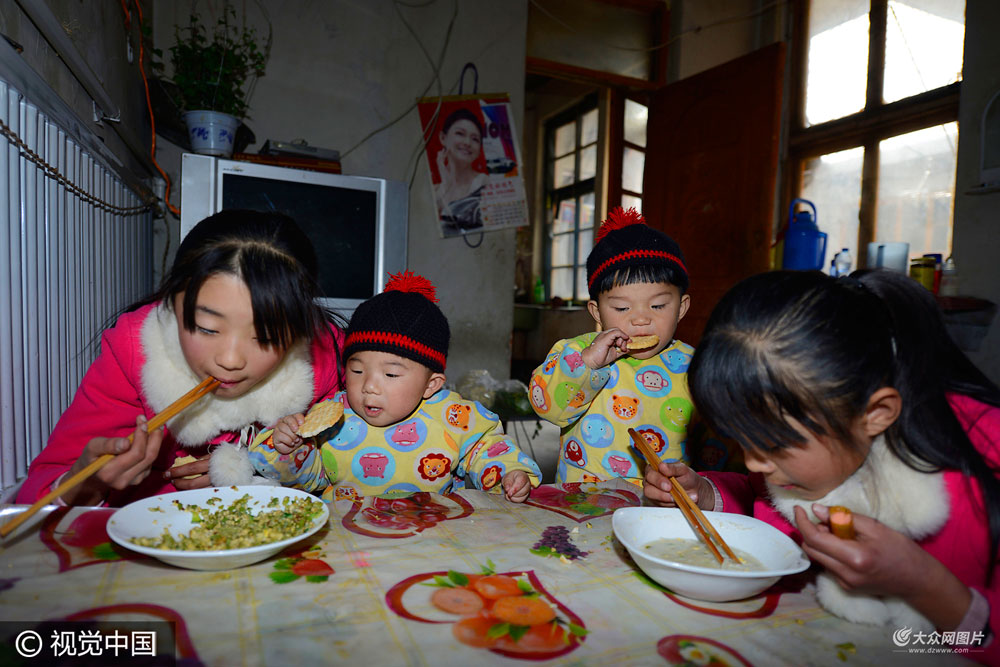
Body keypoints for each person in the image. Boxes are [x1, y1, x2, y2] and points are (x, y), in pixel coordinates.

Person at [643, 269, 1000, 660]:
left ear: (876, 414)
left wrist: (923, 584)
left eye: (773, 445)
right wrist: (705, 493)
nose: (754, 463)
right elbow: (763, 500)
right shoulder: (816, 445)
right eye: (742, 441)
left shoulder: (983, 466)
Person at [17, 210, 345, 507]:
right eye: (207, 328)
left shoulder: (323, 357)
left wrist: (257, 467)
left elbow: (355, 463)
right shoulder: (135, 353)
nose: (230, 360)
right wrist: (88, 482)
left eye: (267, 337)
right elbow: (33, 501)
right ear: (172, 303)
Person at [249, 271, 542, 502]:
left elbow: (486, 448)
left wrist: (509, 473)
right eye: (357, 370)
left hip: (431, 535)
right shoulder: (333, 417)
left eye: (390, 374)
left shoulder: (453, 417)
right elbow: (307, 478)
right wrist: (287, 447)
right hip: (348, 538)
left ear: (431, 385)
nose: (369, 386)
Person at [529, 207, 739, 485]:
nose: (641, 319)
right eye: (622, 307)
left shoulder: (698, 367)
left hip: (662, 503)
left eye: (658, 305)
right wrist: (588, 365)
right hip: (583, 499)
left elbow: (719, 441)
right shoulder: (575, 354)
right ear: (596, 311)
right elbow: (548, 409)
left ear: (681, 307)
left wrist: (704, 485)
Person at [434, 108, 487, 233]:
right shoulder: (435, 190)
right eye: (460, 133)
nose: (467, 143)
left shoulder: (485, 184)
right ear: (443, 138)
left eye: (475, 139)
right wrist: (447, 184)